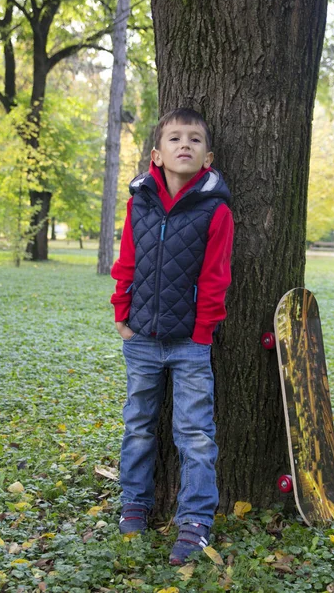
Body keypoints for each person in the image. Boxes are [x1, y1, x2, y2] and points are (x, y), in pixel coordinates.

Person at [110, 108, 234, 565]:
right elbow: (126, 260)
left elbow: (217, 276)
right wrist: (121, 314)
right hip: (140, 338)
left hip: (189, 343)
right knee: (139, 424)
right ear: (156, 155)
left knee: (195, 433)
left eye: (196, 139)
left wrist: (202, 331)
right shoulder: (138, 202)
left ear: (208, 157)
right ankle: (136, 502)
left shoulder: (215, 210)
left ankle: (196, 518)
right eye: (175, 138)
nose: (185, 144)